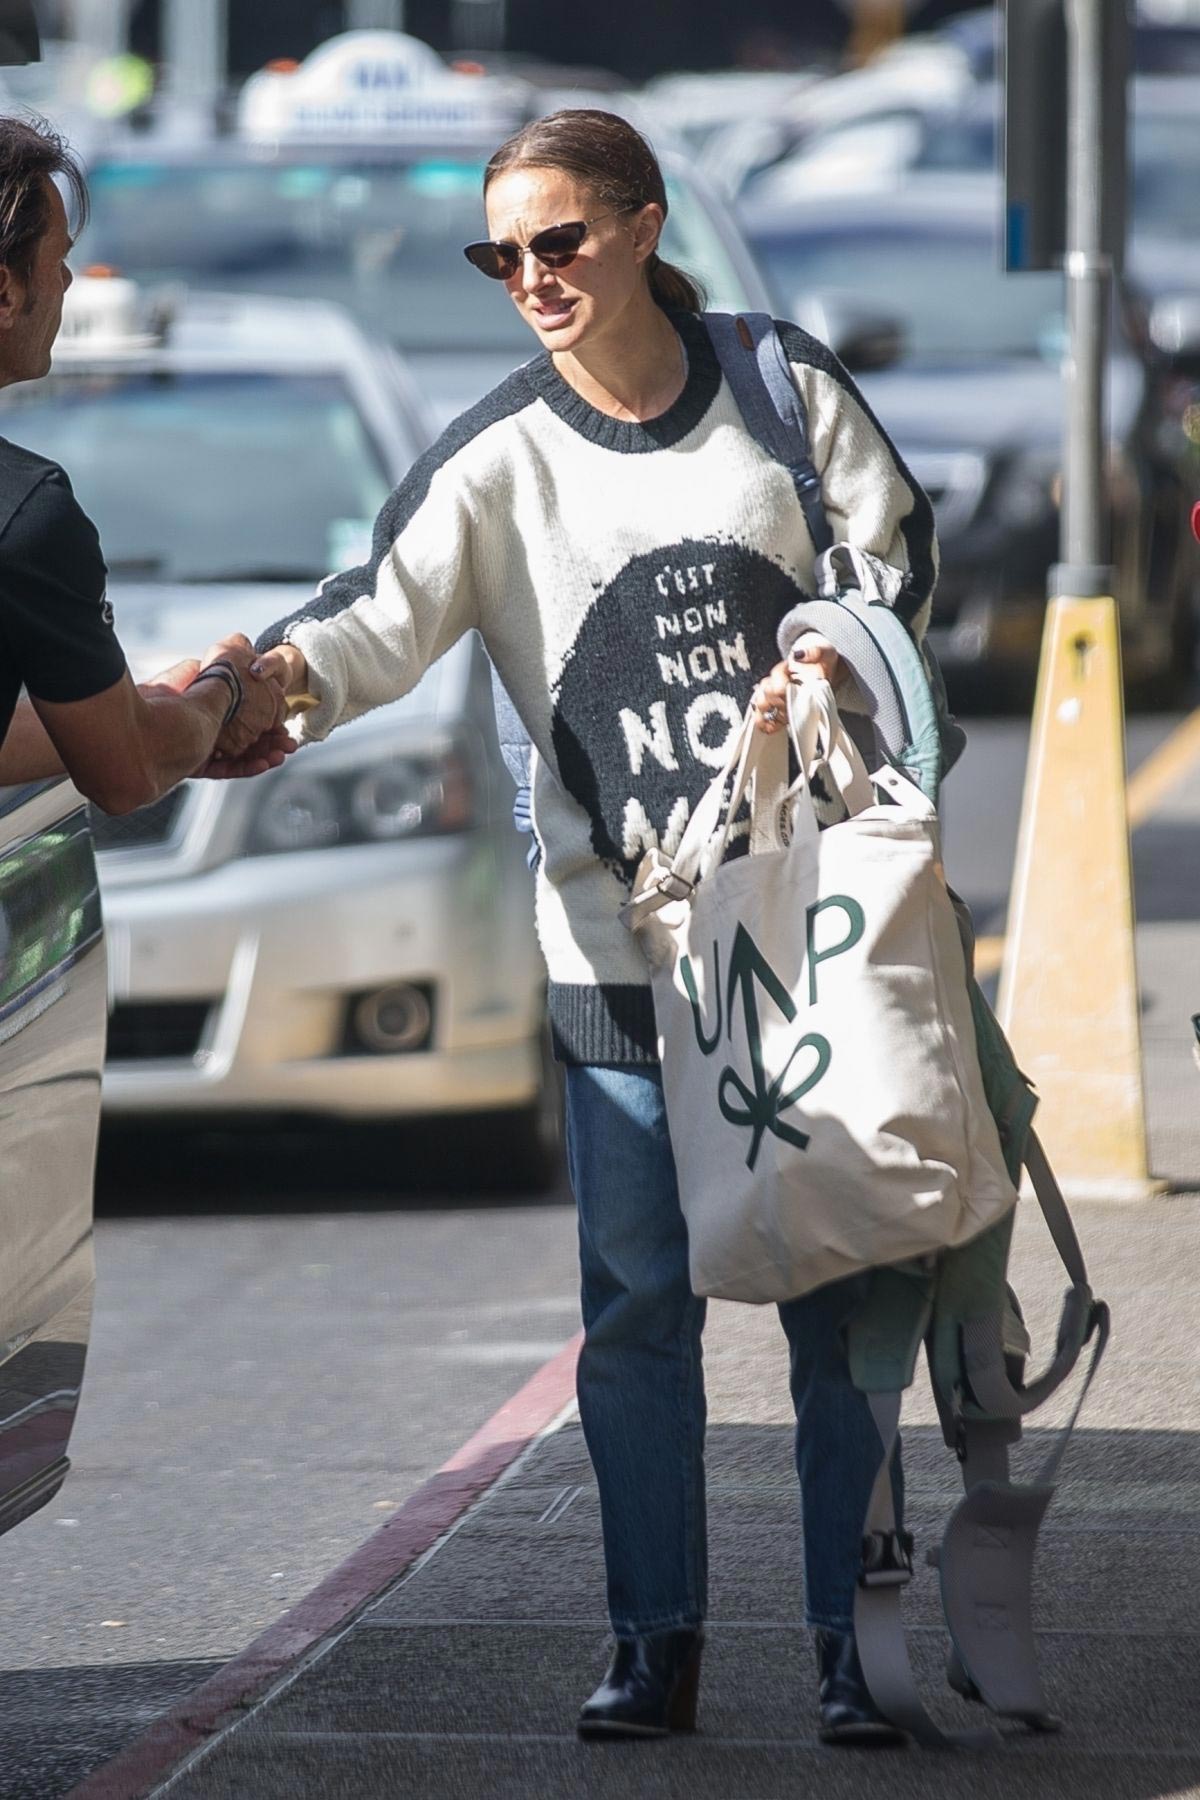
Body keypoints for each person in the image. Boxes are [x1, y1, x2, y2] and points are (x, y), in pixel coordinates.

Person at [251, 109, 937, 1744]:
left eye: (559, 241)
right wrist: (239, 695)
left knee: (842, 1283)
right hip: (618, 955)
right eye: (506, 255)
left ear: (638, 229)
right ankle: (655, 1645)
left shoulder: (780, 393)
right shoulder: (497, 458)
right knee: (638, 1306)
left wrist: (838, 654)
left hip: (814, 940)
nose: (533, 277)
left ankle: (858, 1647)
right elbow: (369, 625)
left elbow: (899, 566)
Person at [0, 114, 289, 803]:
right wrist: (221, 691)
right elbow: (128, 771)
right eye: (58, 258)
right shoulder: (25, 515)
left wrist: (145, 710)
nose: (69, 282)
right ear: (4, 292)